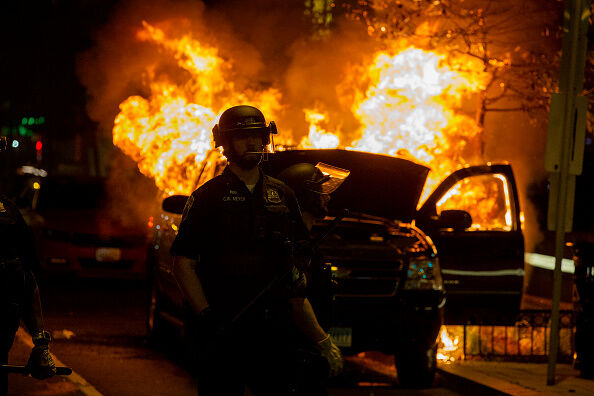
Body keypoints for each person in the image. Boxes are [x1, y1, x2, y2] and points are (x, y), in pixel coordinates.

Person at [170, 105, 342, 395]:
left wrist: (315, 333)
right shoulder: (207, 197)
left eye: (257, 136)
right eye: (242, 137)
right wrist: (206, 315)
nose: (252, 143)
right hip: (223, 329)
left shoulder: (283, 194)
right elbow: (182, 263)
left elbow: (294, 266)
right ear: (224, 143)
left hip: (272, 333)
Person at [276, 162, 349, 331]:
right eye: (321, 191)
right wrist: (322, 341)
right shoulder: (291, 245)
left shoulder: (304, 241)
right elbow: (297, 302)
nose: (328, 197)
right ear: (305, 195)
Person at [1, 189, 56, 395]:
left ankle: (41, 345)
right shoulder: (9, 209)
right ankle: (41, 346)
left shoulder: (9, 210)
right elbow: (30, 268)